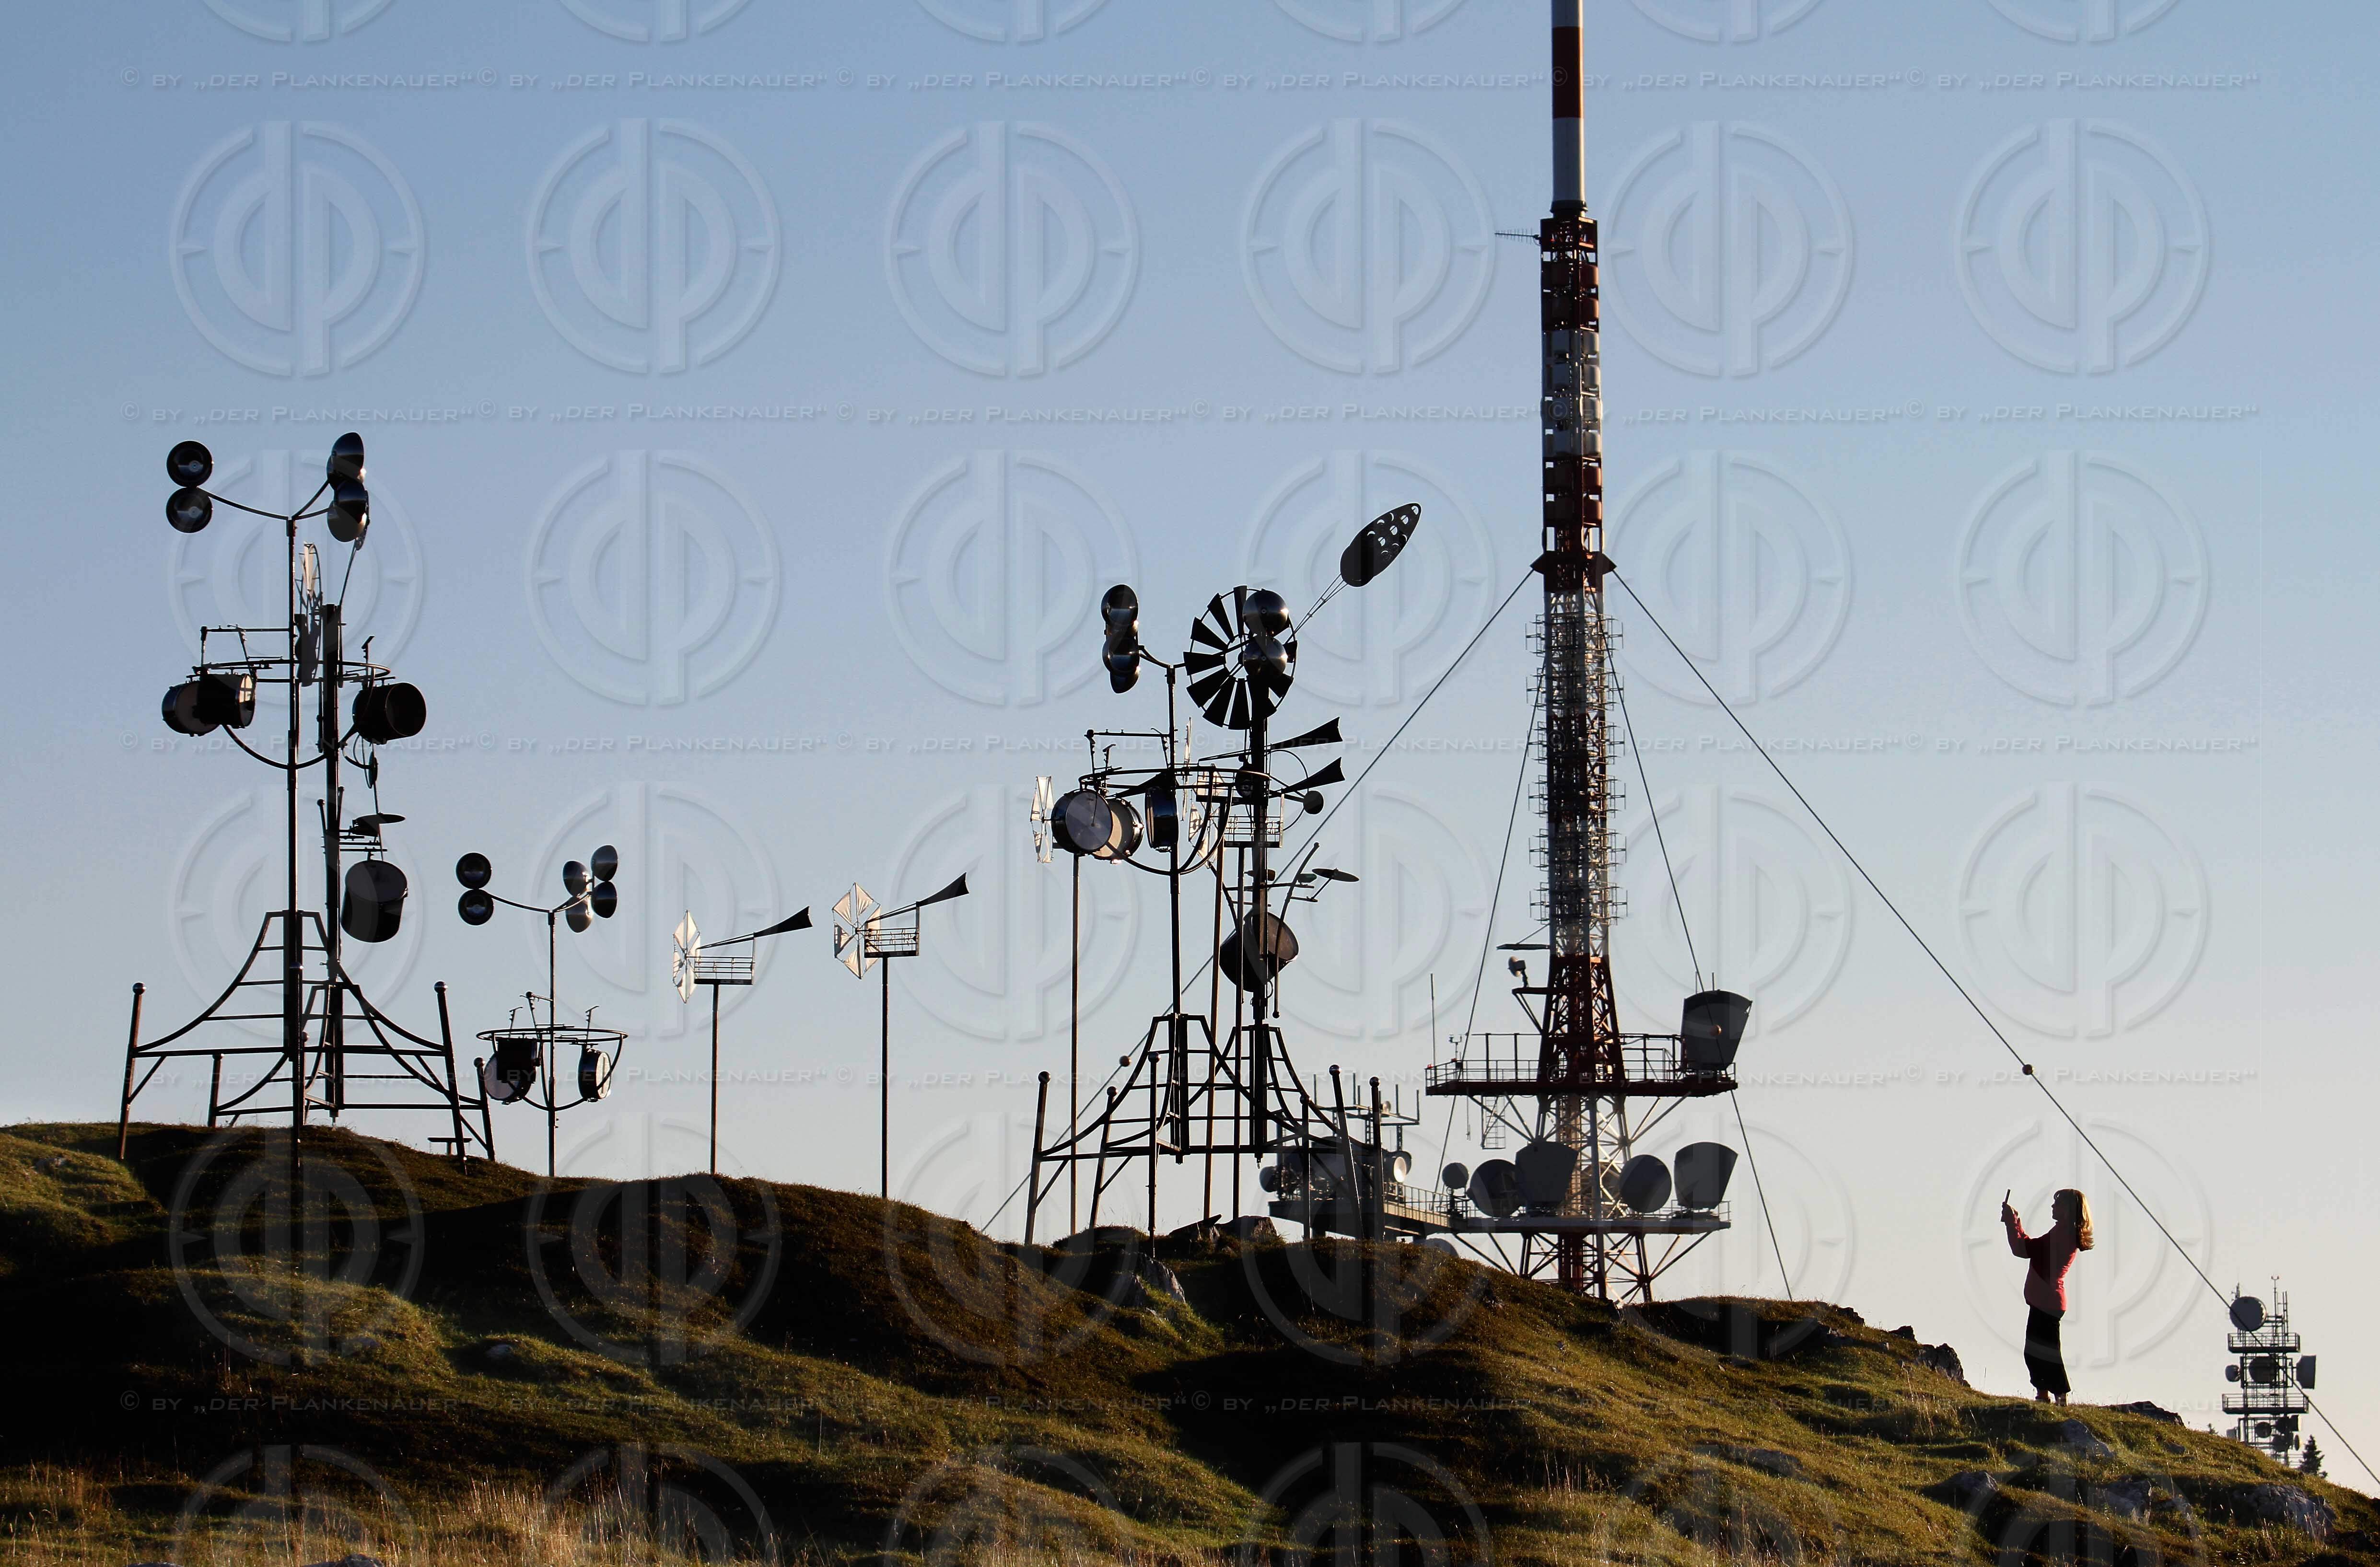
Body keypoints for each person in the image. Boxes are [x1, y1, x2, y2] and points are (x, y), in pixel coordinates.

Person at [2003, 1189, 2094, 1404]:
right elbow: (2029, 1248)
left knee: (2044, 1352)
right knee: (2038, 1351)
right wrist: (2014, 1223)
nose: (2053, 1207)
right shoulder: (2065, 1232)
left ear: (2067, 1210)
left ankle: (2058, 1397)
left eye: (2057, 1204)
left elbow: (2023, 1249)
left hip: (2046, 1301)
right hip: (2047, 1300)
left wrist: (2012, 1222)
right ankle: (2045, 1395)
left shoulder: (2063, 1234)